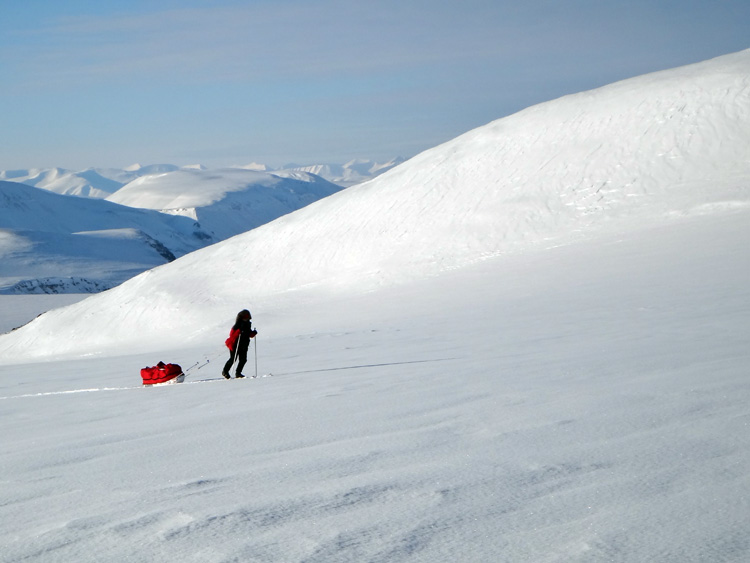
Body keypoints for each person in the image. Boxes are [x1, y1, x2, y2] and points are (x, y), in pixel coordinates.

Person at [222, 309, 257, 379]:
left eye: (247, 318)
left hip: (243, 344)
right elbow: (232, 334)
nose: (246, 319)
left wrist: (253, 333)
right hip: (234, 344)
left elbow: (248, 334)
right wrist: (239, 331)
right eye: (245, 318)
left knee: (243, 359)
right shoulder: (238, 324)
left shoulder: (248, 324)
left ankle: (238, 373)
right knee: (233, 359)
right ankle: (225, 371)